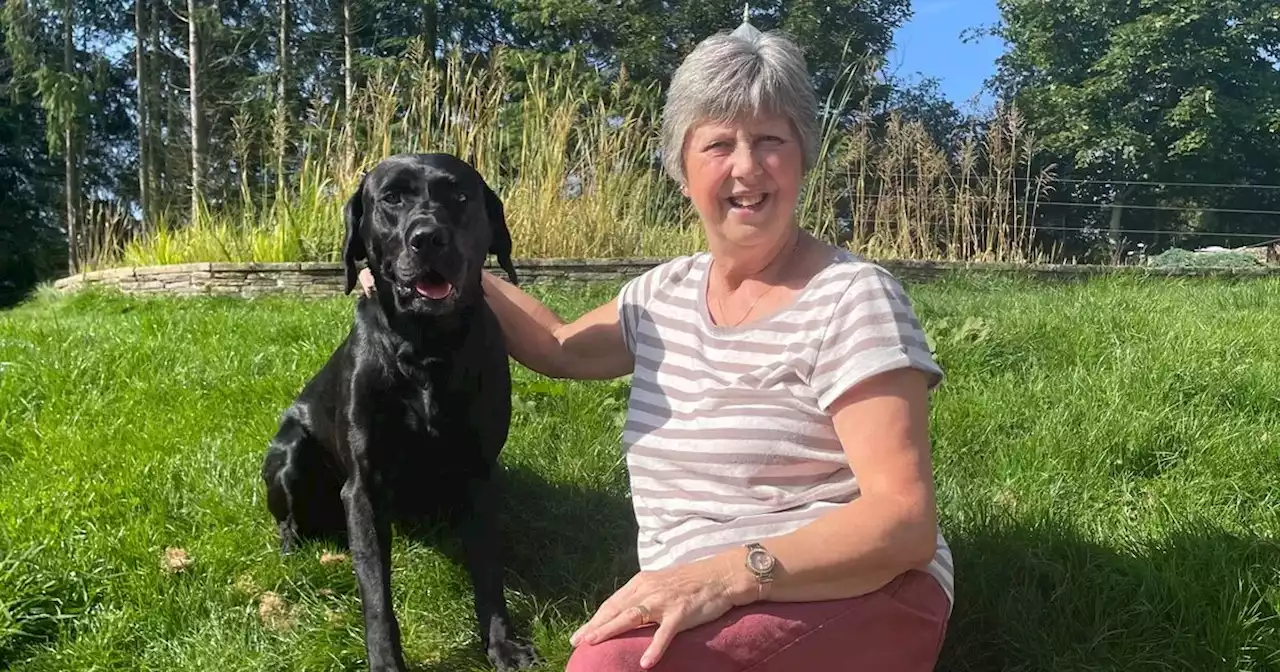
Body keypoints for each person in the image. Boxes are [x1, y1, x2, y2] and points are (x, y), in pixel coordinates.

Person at [360, 23, 953, 672]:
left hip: (853, 587)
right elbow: (562, 346)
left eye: (771, 141)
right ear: (681, 167)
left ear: (804, 155)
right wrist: (438, 271)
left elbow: (903, 521)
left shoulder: (853, 297)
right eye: (719, 143)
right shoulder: (664, 295)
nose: (747, 167)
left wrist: (728, 575)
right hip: (706, 596)